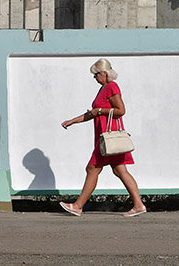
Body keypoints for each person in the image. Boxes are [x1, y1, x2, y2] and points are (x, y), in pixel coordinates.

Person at [59, 58, 146, 217]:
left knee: (92, 168)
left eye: (96, 74)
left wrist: (99, 111)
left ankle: (78, 206)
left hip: (109, 138)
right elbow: (92, 113)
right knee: (120, 170)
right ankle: (138, 205)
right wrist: (72, 121)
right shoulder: (103, 88)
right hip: (105, 137)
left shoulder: (112, 87)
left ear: (104, 73)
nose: (94, 78)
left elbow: (121, 110)